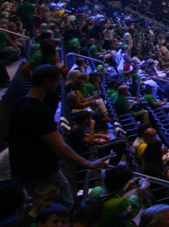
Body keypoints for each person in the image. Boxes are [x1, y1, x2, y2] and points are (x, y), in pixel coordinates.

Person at [11, 65, 106, 208]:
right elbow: (58, 146)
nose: (58, 85)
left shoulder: (19, 104)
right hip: (42, 172)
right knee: (66, 207)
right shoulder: (39, 111)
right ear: (46, 81)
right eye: (57, 81)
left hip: (24, 170)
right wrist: (87, 164)